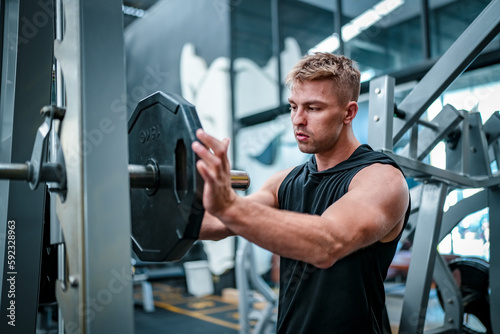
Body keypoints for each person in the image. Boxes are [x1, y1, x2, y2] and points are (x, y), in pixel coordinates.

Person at [191, 52, 410, 333]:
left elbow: (327, 244)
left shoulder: (381, 179)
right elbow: (215, 223)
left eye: (313, 108)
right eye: (293, 107)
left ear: (349, 112)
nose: (297, 120)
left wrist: (229, 206)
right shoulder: (285, 181)